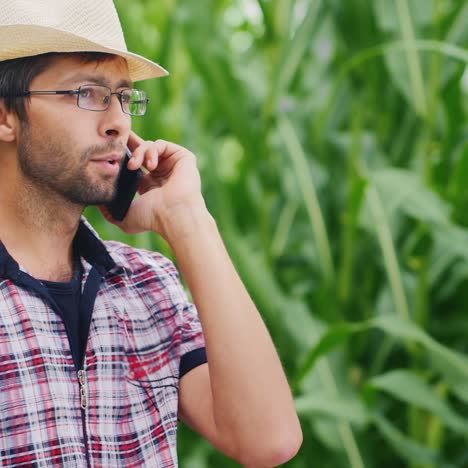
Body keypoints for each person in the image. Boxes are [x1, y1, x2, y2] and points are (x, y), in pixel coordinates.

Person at [0, 1, 302, 467]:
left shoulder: (148, 285)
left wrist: (187, 220)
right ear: (6, 116)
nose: (119, 122)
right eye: (88, 93)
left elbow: (269, 441)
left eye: (123, 96)